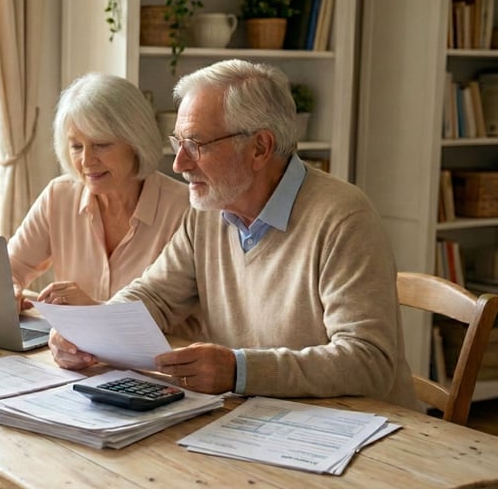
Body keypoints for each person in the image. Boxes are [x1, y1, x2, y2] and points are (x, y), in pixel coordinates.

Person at [49, 59, 418, 409]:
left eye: (196, 145)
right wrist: (90, 334)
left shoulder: (343, 218)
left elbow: (369, 361)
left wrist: (240, 370)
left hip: (360, 434)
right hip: (255, 419)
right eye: (178, 143)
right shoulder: (209, 210)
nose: (179, 164)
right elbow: (154, 297)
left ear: (260, 147)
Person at [8, 72, 202, 338]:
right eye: (76, 146)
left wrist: (94, 311)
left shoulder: (186, 210)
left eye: (100, 145)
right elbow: (10, 268)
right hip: (78, 356)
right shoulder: (59, 195)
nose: (87, 161)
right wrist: (11, 289)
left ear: (136, 141)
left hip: (159, 365)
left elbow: (179, 322)